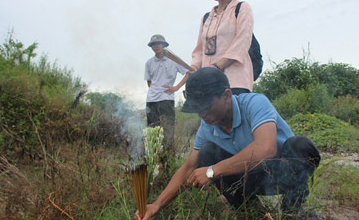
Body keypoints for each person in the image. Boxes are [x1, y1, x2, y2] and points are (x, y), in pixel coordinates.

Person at [135, 67, 321, 220]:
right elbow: (188, 168)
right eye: (197, 110)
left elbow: (266, 149)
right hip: (253, 179)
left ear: (226, 95)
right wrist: (156, 205)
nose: (202, 115)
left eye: (206, 107)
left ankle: (292, 210)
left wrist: (213, 170)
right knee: (206, 153)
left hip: (282, 173)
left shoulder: (255, 103)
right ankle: (249, 210)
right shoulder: (207, 127)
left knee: (300, 146)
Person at [190, 0, 255, 95]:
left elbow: (243, 41)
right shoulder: (206, 17)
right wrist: (194, 67)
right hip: (209, 84)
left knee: (235, 114)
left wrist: (218, 66)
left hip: (235, 81)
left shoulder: (242, 8)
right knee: (211, 115)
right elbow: (200, 50)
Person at [145, 34, 188, 157]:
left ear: (164, 45)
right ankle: (153, 158)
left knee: (167, 130)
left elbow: (189, 72)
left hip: (166, 99)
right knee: (152, 130)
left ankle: (168, 159)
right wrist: (155, 90)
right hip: (151, 100)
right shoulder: (149, 63)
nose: (156, 46)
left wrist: (177, 87)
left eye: (158, 43)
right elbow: (149, 81)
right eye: (153, 44)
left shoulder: (174, 61)